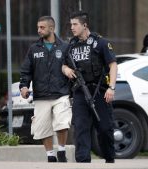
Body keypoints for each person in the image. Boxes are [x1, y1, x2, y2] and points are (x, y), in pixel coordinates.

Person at [62, 11, 117, 163]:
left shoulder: (101, 43)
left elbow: (113, 65)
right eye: (71, 24)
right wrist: (66, 69)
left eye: (75, 24)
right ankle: (83, 162)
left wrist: (111, 88)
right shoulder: (71, 45)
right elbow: (63, 64)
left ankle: (109, 159)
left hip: (99, 90)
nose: (72, 27)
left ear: (84, 25)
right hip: (80, 91)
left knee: (105, 128)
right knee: (80, 128)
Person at [19, 16, 72, 163]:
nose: (39, 30)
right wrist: (24, 86)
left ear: (51, 28)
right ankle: (50, 155)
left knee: (62, 123)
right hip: (41, 95)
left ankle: (61, 152)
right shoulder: (34, 48)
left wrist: (68, 69)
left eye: (42, 27)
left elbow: (72, 67)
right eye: (38, 27)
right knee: (42, 128)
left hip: (61, 94)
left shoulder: (65, 47)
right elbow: (26, 71)